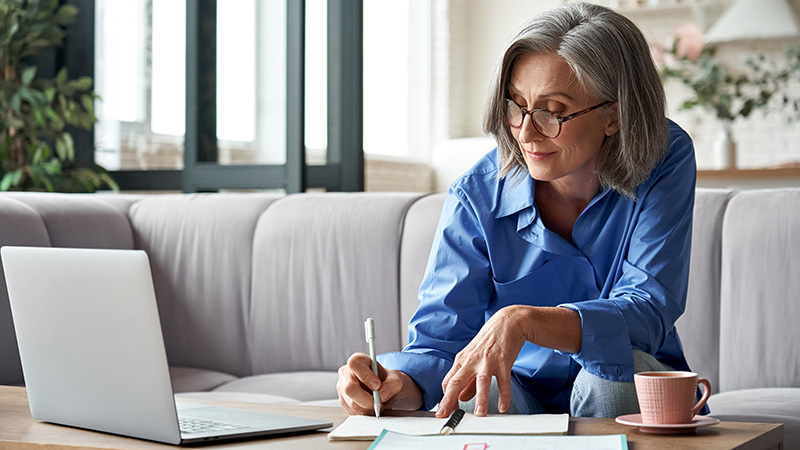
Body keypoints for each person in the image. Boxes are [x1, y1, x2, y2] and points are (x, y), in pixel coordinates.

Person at [337, 2, 700, 419]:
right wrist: (393, 386)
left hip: (623, 385)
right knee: (478, 387)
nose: (525, 133)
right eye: (515, 106)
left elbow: (648, 308)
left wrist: (526, 321)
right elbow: (440, 343)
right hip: (519, 391)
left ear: (614, 117)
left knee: (611, 373)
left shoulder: (664, 156)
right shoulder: (476, 194)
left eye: (553, 111)